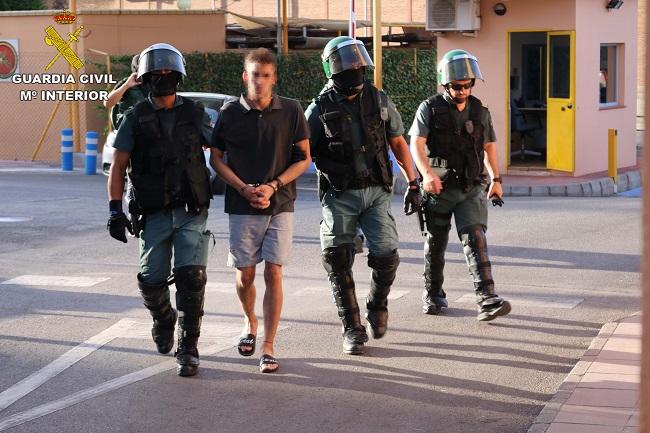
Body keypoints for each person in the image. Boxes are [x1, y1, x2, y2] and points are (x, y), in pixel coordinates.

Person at [306, 36, 421, 355]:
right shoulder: (319, 108)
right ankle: (352, 329)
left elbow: (397, 142)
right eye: (347, 64)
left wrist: (414, 181)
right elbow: (303, 152)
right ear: (332, 68)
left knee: (386, 255)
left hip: (375, 191)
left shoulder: (380, 100)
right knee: (337, 258)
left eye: (358, 63)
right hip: (339, 193)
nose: (354, 69)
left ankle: (377, 305)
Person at [107, 43, 213, 377]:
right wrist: (113, 210)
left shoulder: (194, 113)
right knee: (151, 279)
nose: (164, 77)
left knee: (191, 278)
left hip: (190, 210)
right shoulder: (135, 117)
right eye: (157, 72)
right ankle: (163, 318)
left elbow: (222, 146)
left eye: (169, 72)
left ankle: (189, 348)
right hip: (152, 212)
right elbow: (118, 166)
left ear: (179, 75)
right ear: (147, 77)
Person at [210, 48, 311, 373]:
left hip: (280, 203)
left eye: (266, 75)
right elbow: (216, 159)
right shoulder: (229, 113)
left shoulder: (292, 110)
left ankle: (268, 345)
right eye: (255, 74)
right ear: (245, 76)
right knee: (246, 274)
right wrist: (243, 188)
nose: (260, 81)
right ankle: (249, 320)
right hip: (241, 204)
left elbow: (303, 158)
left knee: (274, 272)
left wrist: (273, 186)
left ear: (273, 78)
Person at [408, 49, 511, 322]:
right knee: (435, 243)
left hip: (470, 187)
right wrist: (427, 175)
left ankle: (487, 298)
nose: (463, 91)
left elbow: (489, 146)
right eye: (457, 86)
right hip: (438, 189)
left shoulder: (480, 111)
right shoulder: (429, 108)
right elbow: (416, 144)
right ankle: (432, 293)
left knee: (475, 238)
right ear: (445, 83)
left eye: (468, 85)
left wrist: (496, 180)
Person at [103, 54, 150, 129]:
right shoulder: (128, 83)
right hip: (130, 130)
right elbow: (107, 103)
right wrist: (126, 85)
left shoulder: (156, 83)